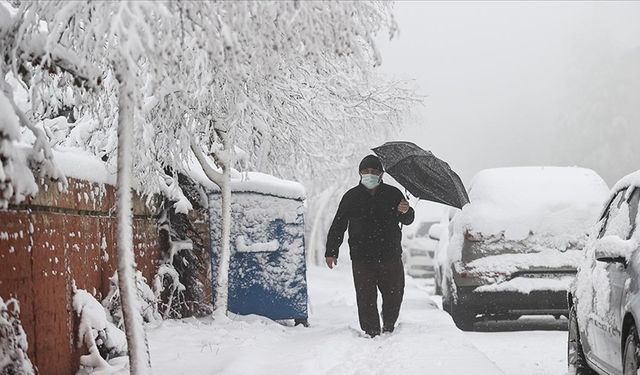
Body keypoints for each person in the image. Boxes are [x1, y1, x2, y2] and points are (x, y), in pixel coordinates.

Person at [325, 154, 415, 337]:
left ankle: (389, 323)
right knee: (365, 296)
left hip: (390, 255)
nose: (369, 174)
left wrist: (406, 211)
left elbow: (407, 219)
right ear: (359, 173)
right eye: (365, 171)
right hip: (362, 257)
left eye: (374, 171)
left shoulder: (393, 194)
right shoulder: (351, 197)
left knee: (394, 294)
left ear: (381, 174)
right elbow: (338, 225)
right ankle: (371, 329)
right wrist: (331, 251)